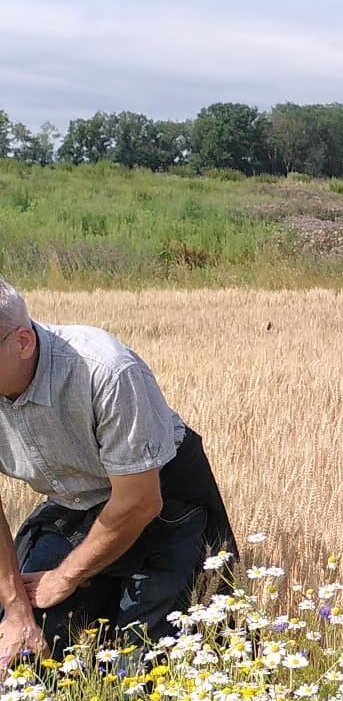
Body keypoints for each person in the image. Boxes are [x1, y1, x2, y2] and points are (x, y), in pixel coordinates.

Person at [0, 279, 237, 671]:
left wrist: (65, 576)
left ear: (23, 342)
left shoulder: (105, 371)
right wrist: (15, 608)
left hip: (161, 496)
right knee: (30, 644)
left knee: (154, 659)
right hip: (74, 500)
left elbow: (139, 501)